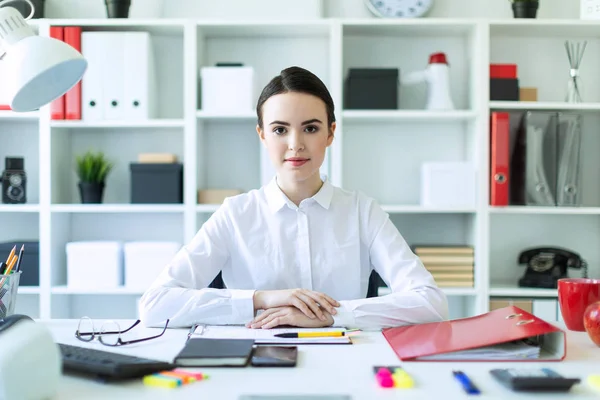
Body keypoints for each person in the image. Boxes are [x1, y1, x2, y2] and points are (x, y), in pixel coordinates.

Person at [139, 66, 448, 330]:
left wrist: (330, 316)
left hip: (347, 360)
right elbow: (154, 305)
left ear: (330, 133)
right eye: (280, 129)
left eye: (310, 128)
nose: (295, 144)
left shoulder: (362, 212)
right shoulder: (236, 214)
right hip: (256, 358)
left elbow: (431, 303)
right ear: (262, 135)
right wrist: (263, 298)